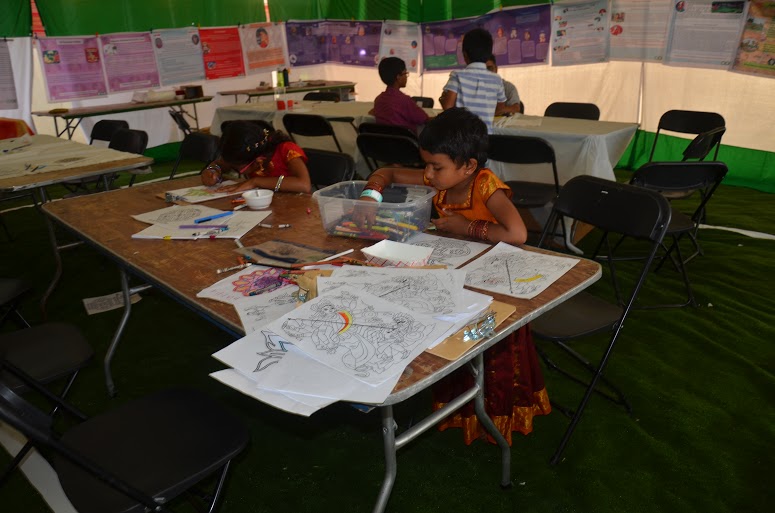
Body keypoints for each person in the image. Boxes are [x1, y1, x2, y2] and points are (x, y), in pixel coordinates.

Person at [360, 109, 549, 444]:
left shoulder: (485, 186)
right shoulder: (442, 178)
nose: (428, 175)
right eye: (426, 165)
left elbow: (518, 233)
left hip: (496, 284)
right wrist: (370, 195)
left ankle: (496, 416)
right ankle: (458, 407)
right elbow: (386, 171)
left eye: (436, 167)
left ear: (469, 166)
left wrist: (468, 227)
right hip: (460, 274)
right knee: (450, 337)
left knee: (493, 354)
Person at [438, 28, 520, 132]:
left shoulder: (457, 76)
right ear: (488, 54)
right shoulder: (496, 80)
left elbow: (447, 107)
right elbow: (499, 108)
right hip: (485, 136)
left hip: (461, 136)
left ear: (464, 55)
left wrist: (444, 99)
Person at [201, 120, 311, 194]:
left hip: (294, 207)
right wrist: (212, 170)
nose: (234, 169)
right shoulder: (242, 154)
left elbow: (304, 185)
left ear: (258, 160)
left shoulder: (286, 150)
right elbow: (220, 164)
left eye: (238, 170)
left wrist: (255, 182)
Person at [371, 57, 430, 134]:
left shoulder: (378, 100)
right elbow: (424, 119)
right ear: (398, 76)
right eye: (405, 73)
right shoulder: (405, 101)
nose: (406, 77)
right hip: (406, 140)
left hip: (384, 141)